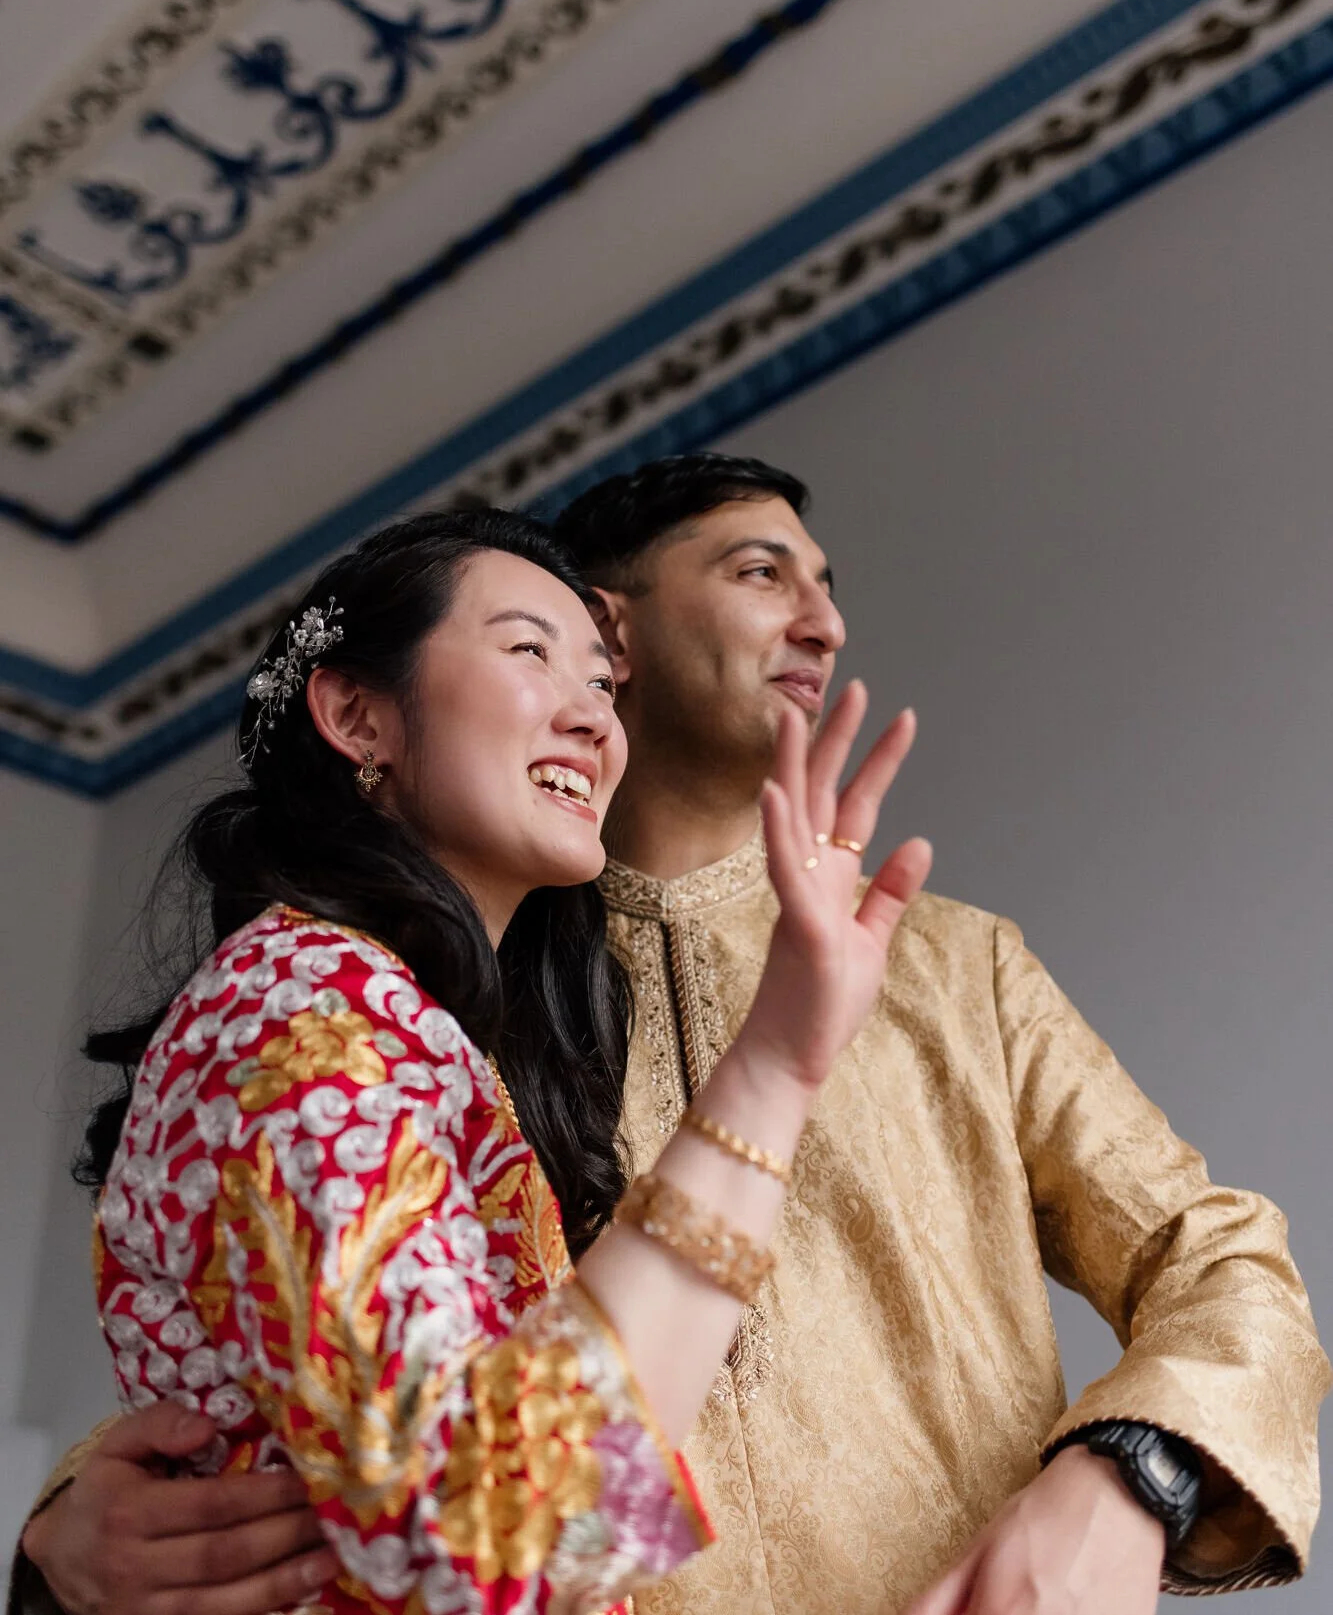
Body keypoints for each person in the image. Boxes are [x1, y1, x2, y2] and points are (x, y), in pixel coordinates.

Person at [15, 457, 1329, 1615]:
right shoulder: (429, 993)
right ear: (619, 627)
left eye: (826, 581)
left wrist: (1125, 1478)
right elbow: (338, 1373)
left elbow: (1219, 1258)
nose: (826, 621)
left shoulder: (947, 962)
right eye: (763, 571)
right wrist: (65, 1537)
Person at [20, 507, 930, 1615]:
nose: (593, 718)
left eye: (601, 683)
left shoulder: (430, 1031)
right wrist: (778, 1067)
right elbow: (486, 1533)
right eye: (527, 651)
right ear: (357, 714)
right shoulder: (300, 1010)